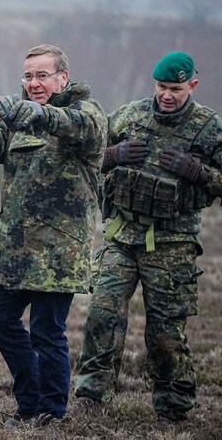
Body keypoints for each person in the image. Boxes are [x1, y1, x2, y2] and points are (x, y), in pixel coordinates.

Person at [73, 51, 222, 423]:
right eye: (161, 87)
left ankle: (173, 405)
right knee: (103, 314)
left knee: (165, 332)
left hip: (172, 244)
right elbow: (87, 157)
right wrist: (114, 154)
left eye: (175, 88)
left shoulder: (209, 129)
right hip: (122, 235)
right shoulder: (130, 115)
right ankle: (93, 394)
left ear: (193, 85)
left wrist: (197, 171)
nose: (166, 95)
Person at [0, 44, 107, 427]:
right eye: (28, 77)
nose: (34, 83)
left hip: (59, 250)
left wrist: (35, 113)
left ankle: (49, 412)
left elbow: (80, 129)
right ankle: (29, 396)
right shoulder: (21, 117)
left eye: (42, 76)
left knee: (48, 331)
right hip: (17, 248)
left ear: (63, 77)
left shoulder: (86, 112)